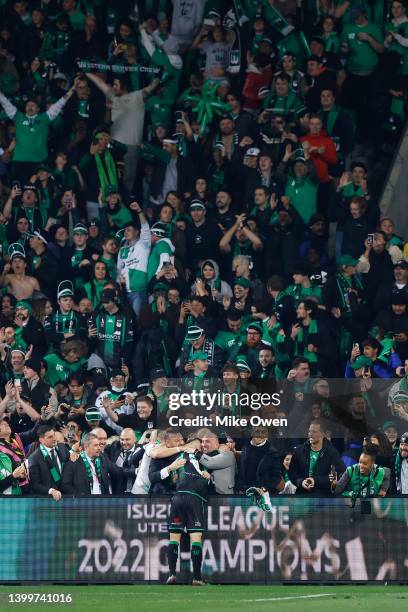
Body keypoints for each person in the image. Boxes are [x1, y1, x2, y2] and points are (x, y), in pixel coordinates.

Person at [166, 438, 211, 586]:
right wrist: (208, 477)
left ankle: (172, 574)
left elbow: (173, 479)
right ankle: (197, 577)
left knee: (174, 538)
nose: (202, 448)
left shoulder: (178, 458)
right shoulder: (200, 459)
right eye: (200, 445)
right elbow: (205, 479)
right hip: (193, 498)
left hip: (177, 498)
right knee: (196, 538)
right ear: (194, 447)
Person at [289, 419, 346, 495]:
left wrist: (315, 481)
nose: (310, 434)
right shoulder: (299, 451)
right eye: (309, 431)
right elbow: (292, 474)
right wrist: (301, 482)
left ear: (322, 434)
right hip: (302, 495)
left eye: (314, 432)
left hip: (323, 497)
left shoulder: (332, 453)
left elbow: (337, 476)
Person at [28, 424, 71, 500]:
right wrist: (51, 491)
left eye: (54, 435)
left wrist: (74, 454)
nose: (54, 439)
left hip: (65, 497)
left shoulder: (61, 448)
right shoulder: (34, 458)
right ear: (41, 440)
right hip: (47, 500)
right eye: (50, 437)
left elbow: (69, 463)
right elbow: (35, 485)